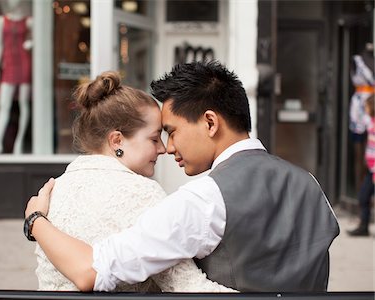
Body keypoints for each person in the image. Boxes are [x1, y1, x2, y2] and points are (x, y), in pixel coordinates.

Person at [25, 61, 340, 292]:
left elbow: (91, 271)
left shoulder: (202, 199)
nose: (168, 147)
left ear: (210, 123)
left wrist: (36, 219)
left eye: (172, 132)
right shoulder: (310, 184)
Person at [32, 71, 235, 292]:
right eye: (154, 138)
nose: (163, 149)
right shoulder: (142, 193)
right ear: (117, 140)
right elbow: (188, 288)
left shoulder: (51, 193)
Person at [0, 0, 32, 154]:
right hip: (9, 63)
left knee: (24, 103)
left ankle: (19, 143)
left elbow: (39, 39)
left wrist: (31, 43)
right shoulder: (1, 21)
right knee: (4, 104)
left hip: (24, 62)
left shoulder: (29, 21)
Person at [349, 43, 374, 191]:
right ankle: (361, 190)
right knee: (359, 152)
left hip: (373, 104)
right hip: (360, 106)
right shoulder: (357, 60)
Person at [348, 94, 374, 237]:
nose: (366, 109)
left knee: (365, 195)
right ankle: (363, 226)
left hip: (374, 171)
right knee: (364, 197)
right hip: (371, 170)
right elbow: (362, 118)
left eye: (368, 107)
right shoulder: (371, 123)